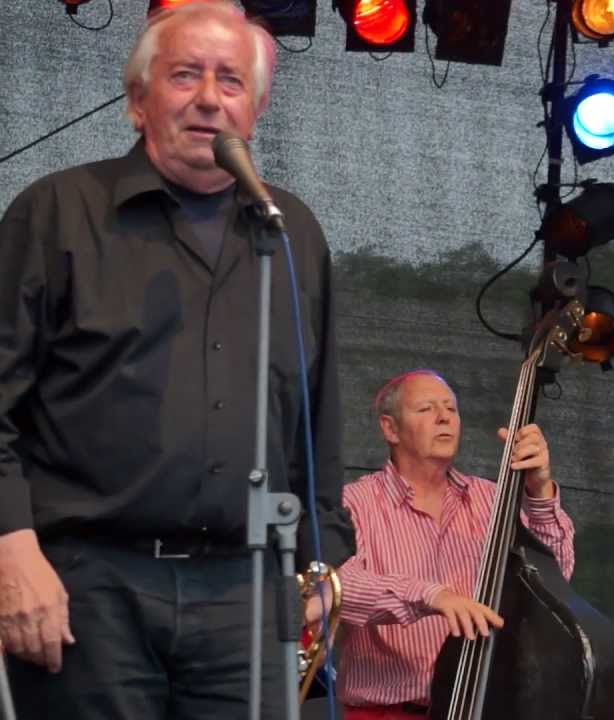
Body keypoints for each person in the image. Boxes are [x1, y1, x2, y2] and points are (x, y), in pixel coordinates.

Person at [0, 3, 351, 718]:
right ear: (138, 101)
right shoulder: (58, 213)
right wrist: (11, 550)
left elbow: (315, 412)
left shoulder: (292, 233)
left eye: (230, 81)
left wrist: (323, 556)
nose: (208, 97)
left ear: (253, 109)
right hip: (89, 586)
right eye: (184, 74)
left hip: (249, 595)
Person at [306, 369, 575, 719]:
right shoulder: (354, 504)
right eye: (426, 409)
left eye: (451, 408)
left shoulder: (493, 499)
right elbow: (341, 586)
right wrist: (430, 595)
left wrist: (539, 490)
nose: (444, 416)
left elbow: (554, 581)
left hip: (486, 708)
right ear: (390, 429)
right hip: (388, 712)